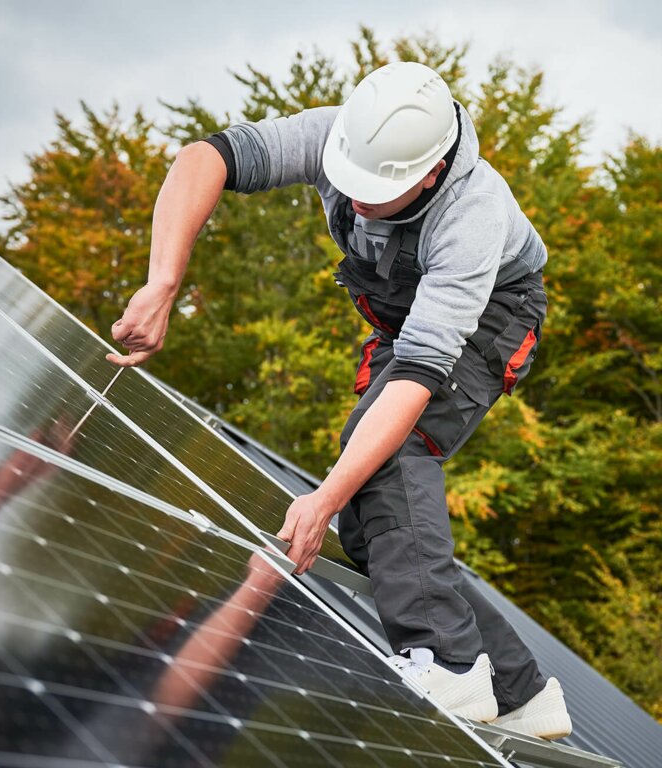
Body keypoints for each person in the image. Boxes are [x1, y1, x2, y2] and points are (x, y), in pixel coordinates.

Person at [108, 61, 572, 739]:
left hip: (491, 318)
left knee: (389, 462)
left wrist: (323, 495)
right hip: (404, 322)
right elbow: (203, 157)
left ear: (429, 175)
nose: (352, 203)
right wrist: (164, 282)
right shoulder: (340, 136)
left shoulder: (470, 217)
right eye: (348, 184)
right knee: (375, 524)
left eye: (372, 194)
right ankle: (518, 690)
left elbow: (416, 382)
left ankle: (446, 660)